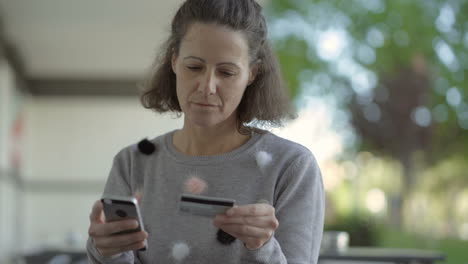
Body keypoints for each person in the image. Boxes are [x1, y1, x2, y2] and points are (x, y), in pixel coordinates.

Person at [86, 0, 324, 263]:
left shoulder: (291, 167)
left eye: (226, 72)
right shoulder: (132, 163)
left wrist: (262, 246)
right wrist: (106, 251)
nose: (207, 86)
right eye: (194, 67)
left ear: (252, 74)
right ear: (174, 61)